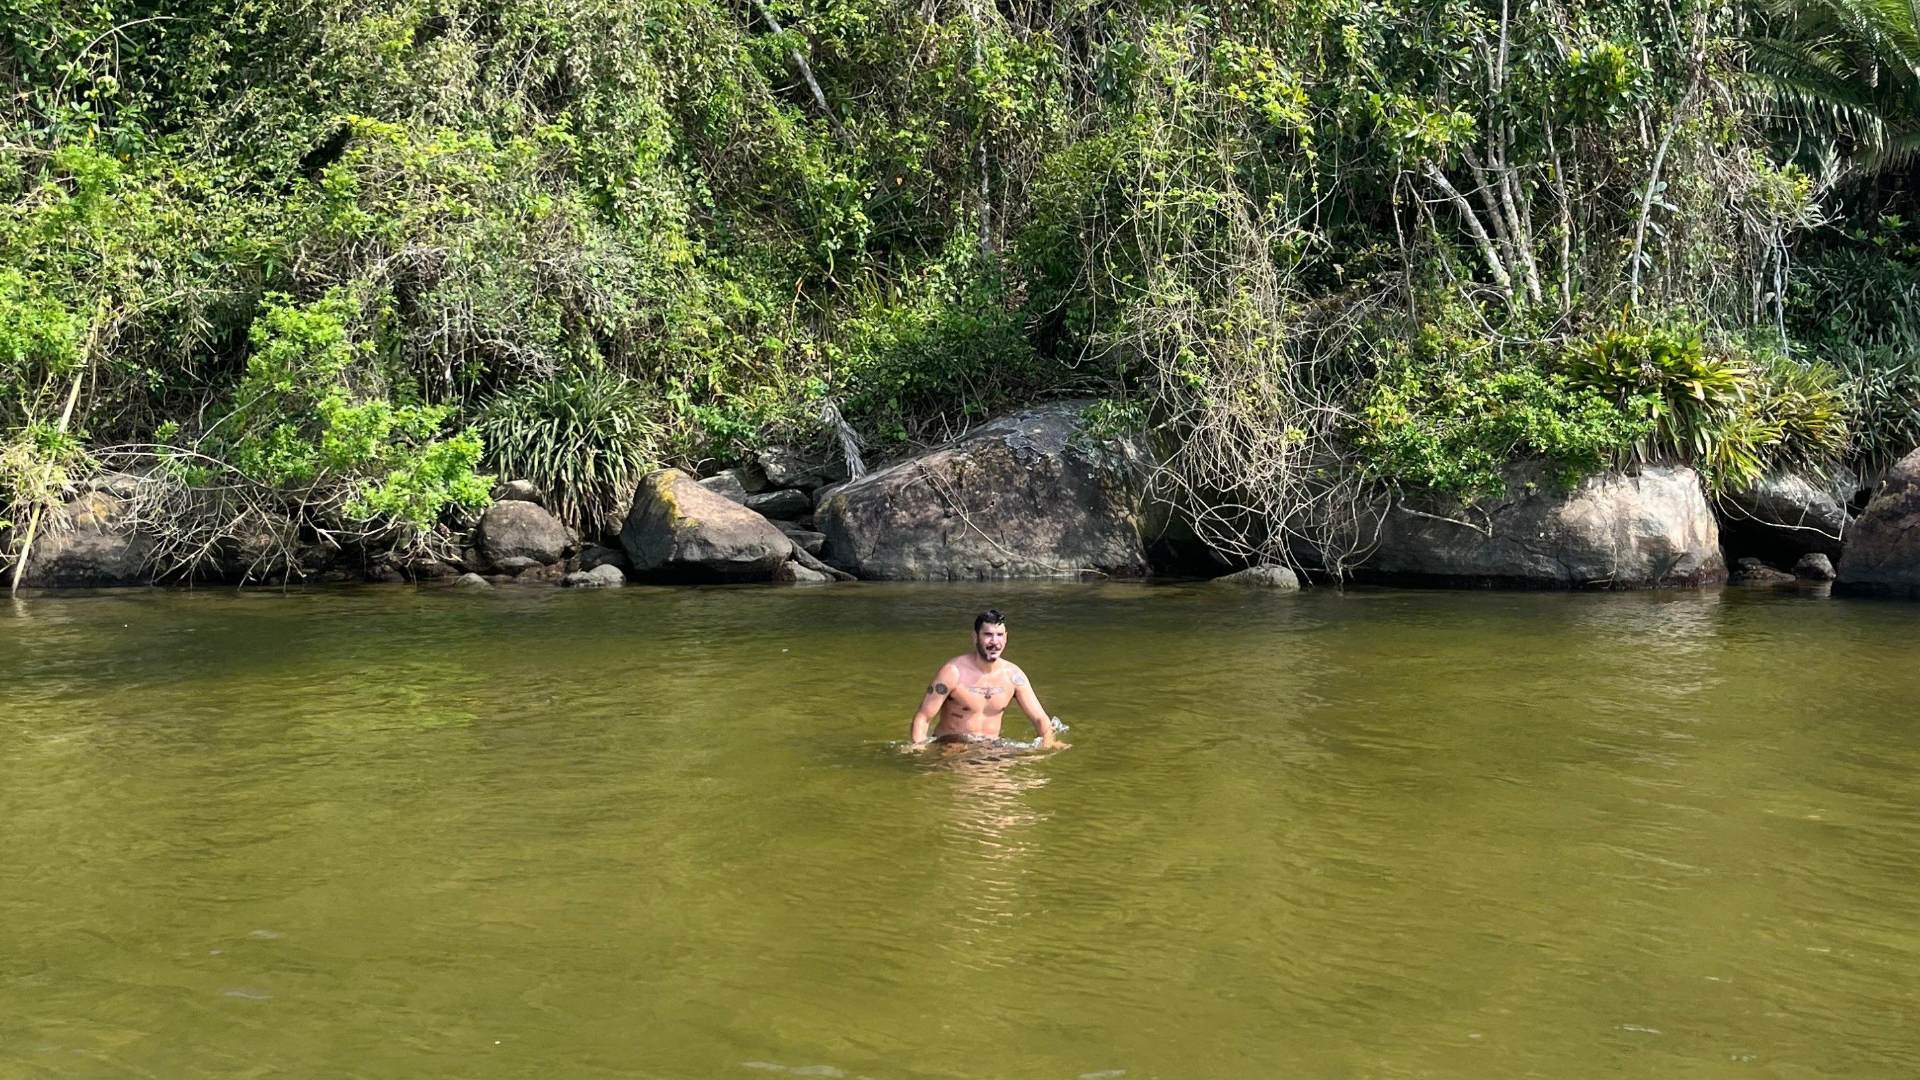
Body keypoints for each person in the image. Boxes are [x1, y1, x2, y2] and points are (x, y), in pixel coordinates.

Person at [906, 610, 1067, 750]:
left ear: (1006, 638)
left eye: (999, 635)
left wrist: (1049, 744)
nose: (994, 642)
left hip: (991, 748)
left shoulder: (1013, 676)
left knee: (1030, 782)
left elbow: (1040, 719)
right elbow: (923, 717)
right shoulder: (953, 672)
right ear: (975, 637)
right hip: (952, 748)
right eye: (988, 635)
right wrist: (918, 749)